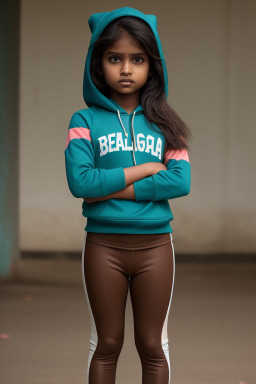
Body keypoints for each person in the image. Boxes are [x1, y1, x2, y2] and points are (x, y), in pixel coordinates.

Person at [64, 6, 192, 384]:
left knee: (153, 346)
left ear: (152, 65)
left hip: (156, 247)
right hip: (103, 246)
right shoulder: (83, 121)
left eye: (137, 59)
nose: (125, 69)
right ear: (97, 63)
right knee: (106, 344)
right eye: (114, 58)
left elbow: (181, 182)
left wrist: (111, 185)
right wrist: (147, 169)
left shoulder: (168, 123)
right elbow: (80, 184)